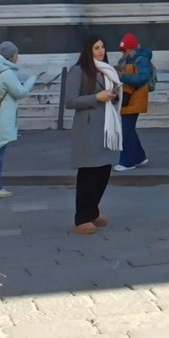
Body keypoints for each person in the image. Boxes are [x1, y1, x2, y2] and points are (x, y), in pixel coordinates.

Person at [66, 37, 122, 232]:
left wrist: (114, 95)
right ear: (88, 50)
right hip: (88, 127)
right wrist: (96, 97)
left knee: (104, 170)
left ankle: (93, 211)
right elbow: (70, 101)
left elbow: (112, 98)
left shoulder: (107, 71)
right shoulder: (78, 71)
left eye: (103, 47)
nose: (100, 51)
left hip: (108, 127)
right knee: (89, 171)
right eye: (96, 47)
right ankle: (82, 217)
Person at [0, 39, 35, 198]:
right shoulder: (7, 73)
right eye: (16, 54)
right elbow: (20, 92)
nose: (17, 57)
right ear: (11, 56)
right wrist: (31, 80)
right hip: (2, 118)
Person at [115, 33, 153, 172]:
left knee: (126, 130)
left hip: (134, 98)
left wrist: (122, 76)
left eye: (125, 49)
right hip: (128, 98)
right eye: (122, 50)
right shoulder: (129, 60)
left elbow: (142, 78)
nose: (123, 52)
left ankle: (127, 162)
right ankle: (139, 157)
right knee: (128, 129)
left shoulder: (141, 60)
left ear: (132, 48)